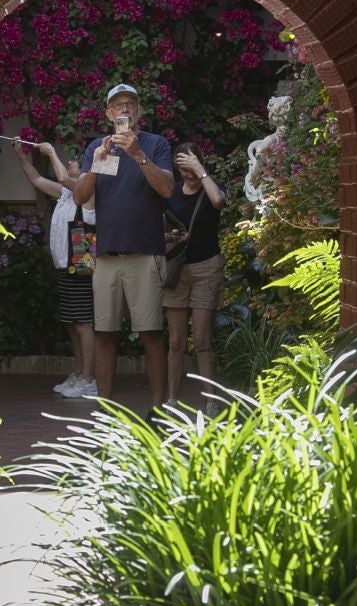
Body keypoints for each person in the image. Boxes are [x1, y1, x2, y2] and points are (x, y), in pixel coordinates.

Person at [74, 83, 175, 405]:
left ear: (140, 111)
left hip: (144, 253)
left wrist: (136, 154)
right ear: (108, 114)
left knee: (150, 335)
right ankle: (105, 411)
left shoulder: (155, 144)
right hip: (105, 255)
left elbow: (167, 190)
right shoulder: (98, 148)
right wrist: (97, 162)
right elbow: (80, 197)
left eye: (131, 104)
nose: (125, 110)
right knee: (104, 334)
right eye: (117, 106)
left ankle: (158, 409)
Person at [14, 139, 98, 399]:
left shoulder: (88, 193)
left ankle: (90, 378)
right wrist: (22, 156)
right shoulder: (64, 194)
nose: (70, 162)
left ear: (83, 170)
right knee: (71, 323)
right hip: (64, 264)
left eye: (73, 160)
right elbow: (38, 180)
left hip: (82, 264)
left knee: (83, 323)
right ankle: (78, 373)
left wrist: (50, 153)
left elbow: (61, 177)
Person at [162, 142, 226, 406]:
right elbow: (159, 229)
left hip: (206, 268)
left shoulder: (210, 185)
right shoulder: (172, 193)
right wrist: (171, 238)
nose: (187, 175)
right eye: (183, 168)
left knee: (201, 338)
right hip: (176, 270)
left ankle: (210, 402)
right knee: (176, 341)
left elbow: (219, 201)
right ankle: (172, 400)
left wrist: (200, 171)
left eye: (190, 167)